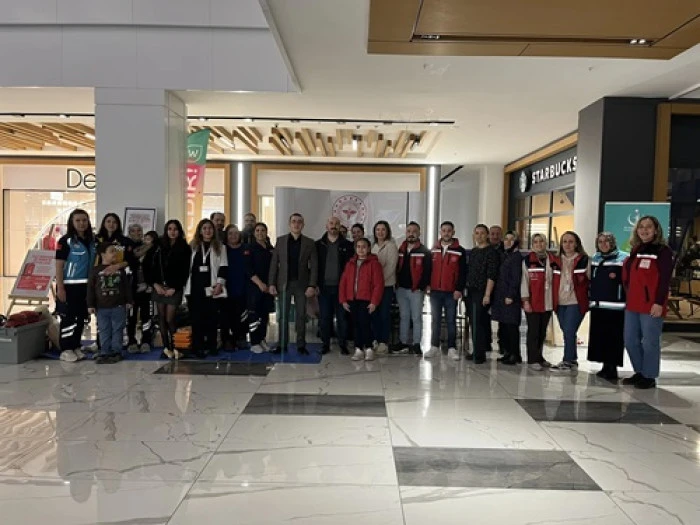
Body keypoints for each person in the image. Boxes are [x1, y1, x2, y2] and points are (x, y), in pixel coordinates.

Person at [622, 216, 673, 389]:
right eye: (641, 227)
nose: (644, 230)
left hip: (652, 304)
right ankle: (640, 371)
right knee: (630, 340)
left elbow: (665, 279)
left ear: (656, 230)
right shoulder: (636, 249)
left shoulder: (663, 251)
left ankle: (649, 376)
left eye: (649, 227)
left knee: (650, 341)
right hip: (633, 303)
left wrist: (659, 302)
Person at [268, 213, 318, 355]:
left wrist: (312, 285)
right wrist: (271, 283)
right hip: (284, 283)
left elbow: (314, 266)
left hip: (302, 284)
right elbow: (274, 264)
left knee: (301, 315)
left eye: (299, 222)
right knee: (283, 316)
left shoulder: (309, 242)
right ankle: (282, 344)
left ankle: (301, 345)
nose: (296, 224)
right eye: (294, 221)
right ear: (289, 224)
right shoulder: (281, 241)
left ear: (303, 225)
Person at [55, 209, 96, 362]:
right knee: (68, 318)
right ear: (72, 222)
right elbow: (59, 266)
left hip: (86, 287)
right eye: (78, 220)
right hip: (69, 286)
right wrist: (60, 287)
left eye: (84, 220)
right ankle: (66, 349)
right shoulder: (65, 241)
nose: (81, 223)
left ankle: (76, 346)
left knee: (81, 318)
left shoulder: (92, 241)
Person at [146, 220, 191, 359]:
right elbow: (148, 265)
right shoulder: (158, 246)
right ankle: (166, 348)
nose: (172, 232)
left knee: (170, 318)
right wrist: (155, 284)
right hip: (158, 287)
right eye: (170, 229)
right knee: (161, 318)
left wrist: (175, 288)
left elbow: (185, 271)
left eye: (175, 229)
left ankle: (176, 346)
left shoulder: (185, 247)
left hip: (174, 289)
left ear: (180, 231)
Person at [184, 218, 228, 358]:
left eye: (210, 228)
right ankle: (198, 347)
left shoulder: (220, 247)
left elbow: (223, 267)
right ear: (200, 231)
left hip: (212, 287)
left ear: (213, 231)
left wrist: (220, 284)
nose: (207, 231)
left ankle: (212, 345)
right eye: (204, 228)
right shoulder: (192, 246)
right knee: (196, 319)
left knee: (212, 318)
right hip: (195, 288)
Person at [588, 232, 628, 381]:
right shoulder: (595, 258)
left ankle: (612, 368)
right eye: (600, 241)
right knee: (600, 337)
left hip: (616, 307)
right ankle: (605, 366)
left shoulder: (623, 258)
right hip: (598, 306)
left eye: (607, 241)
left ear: (612, 242)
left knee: (614, 339)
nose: (603, 244)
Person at [424, 221, 467, 361]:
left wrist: (459, 289)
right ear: (440, 232)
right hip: (435, 291)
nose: (446, 233)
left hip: (451, 292)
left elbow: (462, 273)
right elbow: (428, 269)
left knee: (451, 320)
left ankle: (451, 348)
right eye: (444, 230)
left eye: (449, 230)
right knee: (435, 320)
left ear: (453, 232)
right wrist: (427, 285)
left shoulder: (460, 250)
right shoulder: (433, 250)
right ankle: (434, 347)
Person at [551, 231, 590, 373]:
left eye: (571, 241)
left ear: (577, 244)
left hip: (576, 301)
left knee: (569, 330)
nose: (567, 245)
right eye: (565, 241)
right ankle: (572, 359)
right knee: (566, 331)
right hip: (559, 301)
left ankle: (567, 360)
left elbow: (591, 280)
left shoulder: (584, 260)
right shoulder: (555, 261)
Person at [339, 238, 384, 361]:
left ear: (368, 248)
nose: (361, 249)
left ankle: (368, 348)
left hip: (366, 299)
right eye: (358, 247)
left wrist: (374, 302)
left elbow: (378, 284)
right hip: (352, 299)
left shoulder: (374, 264)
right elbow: (343, 282)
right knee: (355, 324)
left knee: (365, 323)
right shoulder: (350, 264)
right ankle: (358, 348)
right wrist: (343, 300)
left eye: (364, 247)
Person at [87, 244, 133, 364]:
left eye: (115, 251)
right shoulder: (95, 270)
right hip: (101, 307)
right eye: (111, 251)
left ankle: (116, 351)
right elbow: (91, 289)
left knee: (118, 329)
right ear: (103, 254)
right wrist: (90, 304)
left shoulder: (120, 270)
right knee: (104, 329)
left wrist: (129, 301)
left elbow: (126, 286)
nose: (115, 254)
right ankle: (105, 351)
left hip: (118, 305)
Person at [391, 221, 431, 355]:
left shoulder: (424, 251)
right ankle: (403, 342)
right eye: (409, 231)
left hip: (416, 291)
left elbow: (427, 272)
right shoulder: (400, 250)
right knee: (404, 316)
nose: (411, 234)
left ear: (419, 233)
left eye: (414, 231)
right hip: (401, 289)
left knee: (416, 317)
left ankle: (416, 344)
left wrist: (421, 287)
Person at [316, 216, 354, 355]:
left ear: (340, 226)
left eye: (337, 224)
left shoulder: (348, 245)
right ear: (326, 226)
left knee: (342, 318)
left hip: (341, 288)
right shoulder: (318, 245)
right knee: (325, 318)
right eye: (331, 223)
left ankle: (343, 344)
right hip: (323, 288)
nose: (334, 226)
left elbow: (351, 269)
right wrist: (314, 284)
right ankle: (325, 344)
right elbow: (313, 267)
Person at [521, 233, 556, 371]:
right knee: (533, 331)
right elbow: (524, 281)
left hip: (547, 302)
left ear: (545, 243)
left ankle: (539, 357)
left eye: (541, 241)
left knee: (542, 332)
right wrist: (525, 300)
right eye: (535, 242)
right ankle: (532, 359)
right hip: (533, 301)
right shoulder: (527, 261)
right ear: (532, 244)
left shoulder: (552, 259)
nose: (539, 244)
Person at [466, 224, 499, 364]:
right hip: (471, 291)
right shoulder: (474, 251)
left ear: (487, 235)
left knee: (478, 321)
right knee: (474, 321)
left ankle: (479, 354)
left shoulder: (491, 252)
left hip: (482, 291)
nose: (479, 236)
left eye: (482, 233)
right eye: (477, 233)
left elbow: (491, 275)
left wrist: (487, 294)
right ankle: (478, 349)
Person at [492, 231, 523, 365]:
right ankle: (507, 352)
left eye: (511, 239)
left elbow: (516, 278)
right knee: (504, 325)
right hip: (501, 296)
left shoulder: (516, 257)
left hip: (510, 297)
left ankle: (515, 354)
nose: (508, 242)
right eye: (506, 239)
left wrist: (511, 295)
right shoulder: (506, 255)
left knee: (511, 326)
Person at [127, 229, 158, 353]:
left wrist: (151, 284)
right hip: (132, 289)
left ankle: (146, 341)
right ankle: (131, 341)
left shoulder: (154, 252)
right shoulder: (131, 249)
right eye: (145, 238)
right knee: (131, 317)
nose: (145, 240)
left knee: (146, 317)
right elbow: (130, 261)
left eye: (149, 239)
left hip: (147, 289)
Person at [371, 220, 399, 356]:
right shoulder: (373, 246)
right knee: (374, 314)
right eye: (378, 230)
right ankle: (375, 339)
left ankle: (383, 342)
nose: (380, 232)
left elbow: (391, 267)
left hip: (386, 286)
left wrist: (379, 282)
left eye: (383, 229)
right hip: (373, 287)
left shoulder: (391, 246)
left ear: (387, 231)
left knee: (384, 314)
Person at [246, 222, 275, 353]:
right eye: (257, 230)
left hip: (268, 288)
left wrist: (271, 285)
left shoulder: (270, 248)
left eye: (262, 230)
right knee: (254, 315)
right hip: (254, 287)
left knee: (264, 315)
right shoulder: (250, 248)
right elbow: (248, 269)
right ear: (254, 233)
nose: (260, 233)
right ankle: (254, 342)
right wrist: (259, 284)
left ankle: (262, 339)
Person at [222, 224, 249, 350]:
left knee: (242, 315)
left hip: (242, 287)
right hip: (226, 288)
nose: (233, 236)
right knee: (226, 316)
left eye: (236, 233)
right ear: (226, 236)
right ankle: (227, 340)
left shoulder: (246, 249)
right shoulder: (222, 249)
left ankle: (241, 338)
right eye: (230, 233)